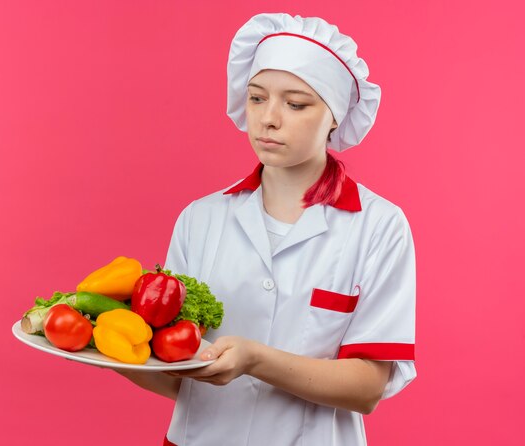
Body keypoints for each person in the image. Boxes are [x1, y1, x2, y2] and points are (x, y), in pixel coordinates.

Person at [118, 12, 416, 446]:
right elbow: (180, 378)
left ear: (335, 116)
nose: (268, 119)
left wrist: (256, 359)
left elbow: (368, 388)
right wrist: (114, 354)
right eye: (257, 98)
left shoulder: (379, 226)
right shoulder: (200, 219)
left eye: (295, 104)